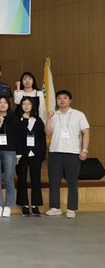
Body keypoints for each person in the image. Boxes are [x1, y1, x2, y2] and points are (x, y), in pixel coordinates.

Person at [45, 90, 90, 218]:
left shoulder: (78, 114)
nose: (62, 100)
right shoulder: (54, 115)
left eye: (65, 98)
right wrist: (48, 119)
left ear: (70, 100)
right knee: (54, 181)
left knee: (72, 182)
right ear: (56, 101)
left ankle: (71, 208)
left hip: (73, 152)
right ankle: (55, 207)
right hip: (55, 152)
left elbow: (86, 132)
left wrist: (84, 150)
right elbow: (48, 132)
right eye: (59, 98)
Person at [15, 97, 46, 217]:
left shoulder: (38, 120)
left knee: (36, 178)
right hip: (22, 154)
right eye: (24, 104)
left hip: (35, 154)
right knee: (22, 178)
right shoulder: (17, 120)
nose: (26, 106)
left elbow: (42, 139)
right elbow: (16, 138)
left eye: (29, 104)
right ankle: (24, 205)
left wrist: (41, 154)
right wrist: (17, 153)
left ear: (33, 106)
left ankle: (35, 205)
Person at [0, 96, 19, 217]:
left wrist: (18, 153)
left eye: (5, 102)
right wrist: (0, 124)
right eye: (0, 102)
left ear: (9, 105)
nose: (2, 104)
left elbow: (17, 135)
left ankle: (8, 205)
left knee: (8, 179)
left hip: (9, 151)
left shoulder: (14, 118)